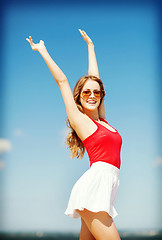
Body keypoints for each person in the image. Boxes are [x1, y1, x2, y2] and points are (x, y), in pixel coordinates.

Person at [26, 29, 122, 240]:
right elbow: (62, 81)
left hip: (105, 188)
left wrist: (91, 47)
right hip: (95, 188)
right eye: (86, 92)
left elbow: (95, 78)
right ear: (78, 97)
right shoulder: (82, 122)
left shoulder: (103, 121)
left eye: (96, 92)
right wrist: (42, 50)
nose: (92, 95)